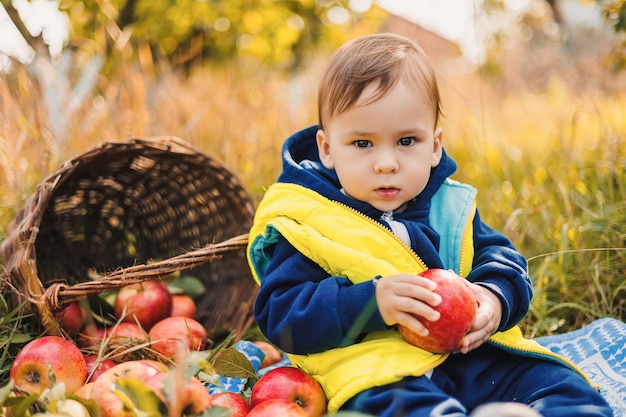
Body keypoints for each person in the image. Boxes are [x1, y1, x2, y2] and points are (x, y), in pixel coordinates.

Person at [246, 33, 613, 417]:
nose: (386, 162)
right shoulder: (311, 222)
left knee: (554, 381)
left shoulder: (450, 206)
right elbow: (280, 313)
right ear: (327, 149)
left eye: (407, 140)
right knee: (390, 404)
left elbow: (502, 258)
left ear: (435, 145)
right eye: (362, 144)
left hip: (472, 353)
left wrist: (492, 299)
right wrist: (370, 303)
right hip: (379, 366)